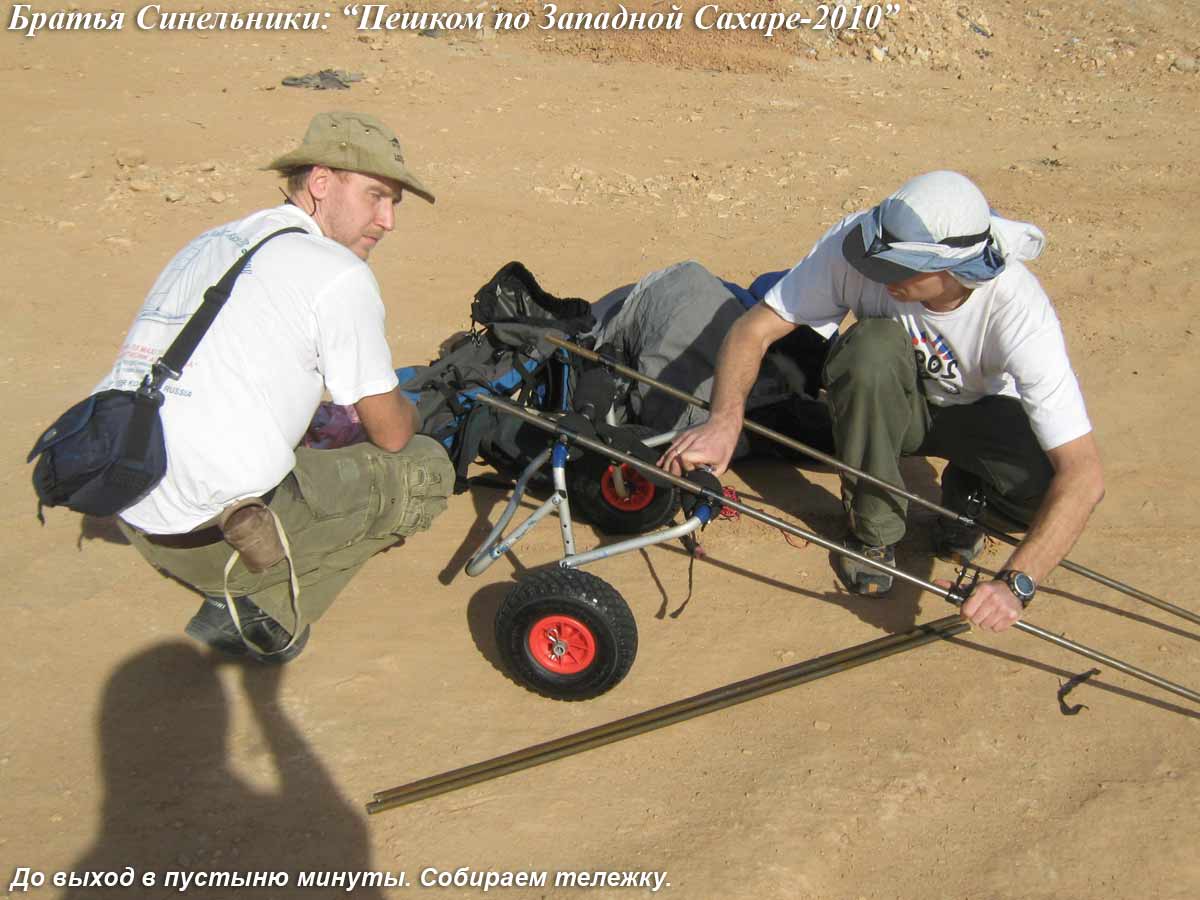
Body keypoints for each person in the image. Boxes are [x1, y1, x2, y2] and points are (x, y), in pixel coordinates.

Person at [660, 171, 1104, 632]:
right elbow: (756, 327)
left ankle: (968, 502)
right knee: (868, 350)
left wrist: (1016, 583)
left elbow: (1084, 474)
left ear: (953, 271)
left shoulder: (1018, 311)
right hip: (887, 401)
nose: (876, 271)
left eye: (899, 267)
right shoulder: (856, 245)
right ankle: (873, 532)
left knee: (1044, 481)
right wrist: (724, 421)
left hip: (982, 417)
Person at [100, 111, 454, 662]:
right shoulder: (337, 273)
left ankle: (242, 570)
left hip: (125, 495)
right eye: (376, 196)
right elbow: (389, 434)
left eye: (393, 204)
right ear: (320, 183)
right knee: (426, 467)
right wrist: (410, 410)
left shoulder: (217, 239)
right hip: (205, 534)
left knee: (311, 427)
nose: (387, 220)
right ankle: (259, 614)